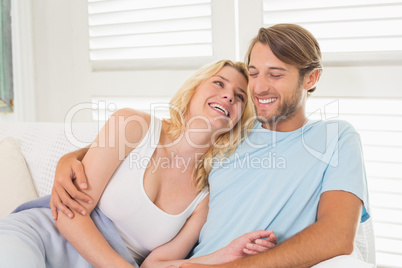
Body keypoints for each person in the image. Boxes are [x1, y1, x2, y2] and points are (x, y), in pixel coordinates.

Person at [52, 24, 374, 267]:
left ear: (311, 79)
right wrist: (70, 158)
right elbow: (167, 141)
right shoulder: (230, 135)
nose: (259, 87)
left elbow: (337, 236)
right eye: (254, 74)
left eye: (275, 74)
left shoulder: (337, 138)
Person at [0, 60, 278, 268]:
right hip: (41, 237)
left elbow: (155, 265)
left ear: (239, 120)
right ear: (194, 90)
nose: (229, 95)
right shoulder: (133, 126)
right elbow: (70, 216)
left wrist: (225, 255)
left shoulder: (204, 197)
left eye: (240, 96)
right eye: (219, 83)